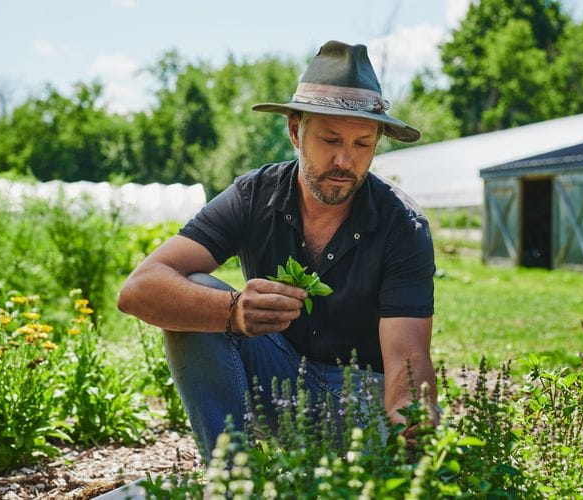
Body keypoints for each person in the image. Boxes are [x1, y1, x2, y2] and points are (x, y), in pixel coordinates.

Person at [117, 40, 438, 464]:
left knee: (400, 457)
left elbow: (407, 358)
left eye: (363, 144)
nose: (345, 160)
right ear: (294, 131)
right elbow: (138, 289)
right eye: (329, 139)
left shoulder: (401, 224)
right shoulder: (254, 196)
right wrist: (231, 311)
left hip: (360, 402)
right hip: (276, 386)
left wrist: (412, 422)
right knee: (194, 290)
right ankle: (231, 478)